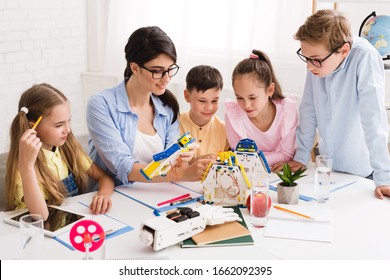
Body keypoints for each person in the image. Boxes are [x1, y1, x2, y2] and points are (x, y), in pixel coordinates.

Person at [87, 26, 210, 185]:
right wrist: (182, 174)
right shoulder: (101, 105)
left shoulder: (167, 107)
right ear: (135, 68)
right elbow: (123, 166)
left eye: (170, 69)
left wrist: (183, 156)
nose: (166, 79)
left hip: (156, 195)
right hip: (113, 198)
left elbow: (170, 162)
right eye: (157, 71)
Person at [289, 9, 390, 199]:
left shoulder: (365, 57)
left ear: (343, 50)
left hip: (363, 171)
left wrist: (384, 178)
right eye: (306, 57)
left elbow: (374, 120)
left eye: (315, 60)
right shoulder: (317, 62)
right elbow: (309, 109)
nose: (309, 66)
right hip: (328, 169)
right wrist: (301, 157)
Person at [5, 83, 114, 221]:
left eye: (68, 121)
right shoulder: (23, 166)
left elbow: (105, 178)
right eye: (59, 125)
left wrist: (102, 196)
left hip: (67, 226)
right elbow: (40, 217)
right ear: (33, 126)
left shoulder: (66, 148)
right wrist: (27, 167)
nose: (68, 129)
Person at [225, 49, 298, 170]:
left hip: (277, 175)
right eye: (239, 98)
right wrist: (274, 157)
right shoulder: (233, 116)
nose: (246, 105)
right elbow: (240, 158)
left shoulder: (287, 112)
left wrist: (253, 159)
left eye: (252, 97)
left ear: (270, 90)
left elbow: (286, 155)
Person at [179, 65, 229, 163]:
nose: (209, 107)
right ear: (187, 96)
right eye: (202, 101)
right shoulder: (174, 124)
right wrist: (196, 161)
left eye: (214, 101)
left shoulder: (225, 130)